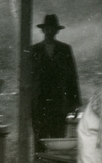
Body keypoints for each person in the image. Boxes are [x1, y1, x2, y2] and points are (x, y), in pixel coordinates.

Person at [30, 14, 81, 144]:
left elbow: (72, 77)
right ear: (43, 30)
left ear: (57, 30)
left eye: (52, 28)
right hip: (39, 103)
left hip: (59, 102)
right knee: (39, 140)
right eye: (47, 28)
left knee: (57, 138)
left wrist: (74, 103)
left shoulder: (65, 50)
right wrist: (28, 103)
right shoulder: (34, 50)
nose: (49, 31)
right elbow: (29, 78)